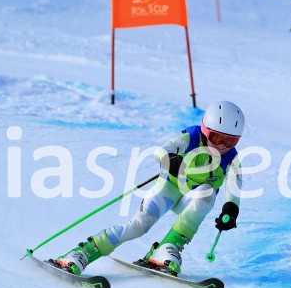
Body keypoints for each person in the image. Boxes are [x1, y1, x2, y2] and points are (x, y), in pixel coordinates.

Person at [52, 101, 244, 277]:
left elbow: (235, 187)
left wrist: (231, 210)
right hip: (168, 188)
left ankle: (169, 247)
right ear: (205, 130)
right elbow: (160, 152)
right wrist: (172, 161)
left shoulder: (232, 159)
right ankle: (81, 253)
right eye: (217, 137)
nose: (222, 146)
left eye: (230, 141)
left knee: (207, 193)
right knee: (139, 225)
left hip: (192, 200)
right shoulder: (191, 137)